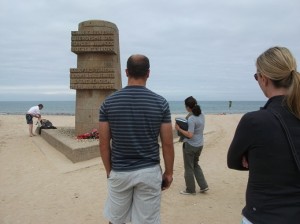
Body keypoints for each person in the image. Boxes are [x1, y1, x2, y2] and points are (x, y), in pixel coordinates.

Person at [227, 46, 300, 224]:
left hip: (264, 214)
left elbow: (233, 162)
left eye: (256, 76)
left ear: (264, 78)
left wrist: (257, 159)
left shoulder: (255, 121)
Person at [99, 54, 174, 224]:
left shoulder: (108, 103)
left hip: (119, 170)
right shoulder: (161, 103)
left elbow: (103, 144)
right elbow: (167, 144)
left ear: (126, 72)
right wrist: (168, 172)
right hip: (149, 171)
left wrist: (109, 171)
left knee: (116, 220)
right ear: (148, 73)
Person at [175, 96, 209, 195]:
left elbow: (190, 135)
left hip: (190, 145)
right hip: (200, 144)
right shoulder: (202, 114)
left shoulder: (192, 119)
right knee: (195, 164)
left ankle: (190, 190)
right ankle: (203, 186)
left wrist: (179, 129)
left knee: (189, 167)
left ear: (187, 107)